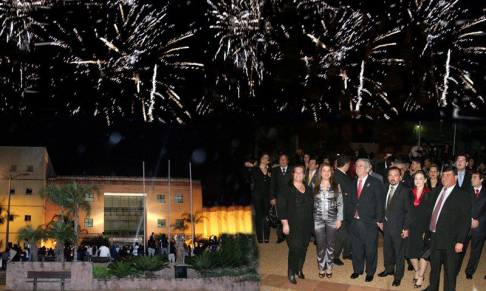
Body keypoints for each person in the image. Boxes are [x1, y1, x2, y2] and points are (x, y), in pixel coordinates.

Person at [423, 166, 471, 291]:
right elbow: (430, 212)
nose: (445, 178)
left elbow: (465, 221)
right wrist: (426, 231)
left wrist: (460, 241)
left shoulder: (462, 195)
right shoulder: (438, 189)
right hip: (434, 236)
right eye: (443, 175)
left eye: (448, 175)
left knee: (450, 270)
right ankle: (433, 287)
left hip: (451, 239)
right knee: (435, 266)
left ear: (455, 178)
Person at [347, 158, 385, 282]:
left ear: (368, 168)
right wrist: (348, 217)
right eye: (356, 165)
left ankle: (370, 271)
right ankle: (357, 270)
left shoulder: (375, 182)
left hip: (369, 222)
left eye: (361, 166)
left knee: (370, 249)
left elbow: (380, 202)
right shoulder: (352, 183)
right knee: (356, 248)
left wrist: (379, 220)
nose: (357, 168)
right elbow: (350, 202)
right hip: (354, 221)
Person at [278, 165, 314, 284]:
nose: (298, 175)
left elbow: (312, 208)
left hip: (307, 225)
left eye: (301, 173)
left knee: (303, 248)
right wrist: (285, 224)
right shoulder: (286, 189)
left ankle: (299, 269)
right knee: (295, 248)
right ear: (292, 174)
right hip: (292, 225)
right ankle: (291, 271)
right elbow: (281, 208)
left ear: (304, 175)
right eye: (296, 172)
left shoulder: (309, 189)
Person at [377, 167, 411, 287]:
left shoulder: (405, 190)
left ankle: (398, 276)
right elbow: (382, 205)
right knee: (387, 250)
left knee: (399, 253)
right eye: (390, 175)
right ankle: (389, 269)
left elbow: (408, 211)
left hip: (399, 227)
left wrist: (406, 228)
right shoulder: (385, 187)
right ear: (387, 177)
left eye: (395, 175)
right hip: (386, 225)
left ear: (400, 177)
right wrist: (380, 220)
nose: (392, 177)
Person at [314, 163, 343, 278]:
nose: (326, 173)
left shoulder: (336, 185)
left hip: (332, 218)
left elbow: (340, 203)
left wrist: (339, 218)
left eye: (328, 171)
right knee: (320, 244)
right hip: (317, 219)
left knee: (330, 244)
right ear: (320, 172)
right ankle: (321, 267)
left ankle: (329, 267)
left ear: (331, 172)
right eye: (324, 170)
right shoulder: (314, 185)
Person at [407, 170, 434, 289]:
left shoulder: (430, 194)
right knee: (411, 252)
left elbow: (431, 214)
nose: (418, 181)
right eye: (415, 178)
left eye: (420, 178)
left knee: (424, 254)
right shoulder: (410, 193)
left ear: (425, 180)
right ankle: (417, 270)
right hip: (412, 228)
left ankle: (421, 276)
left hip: (424, 228)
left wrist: (426, 231)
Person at [456, 172, 486, 279]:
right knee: (460, 249)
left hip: (480, 227)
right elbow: (461, 209)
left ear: (481, 180)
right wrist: (470, 220)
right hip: (466, 226)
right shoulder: (466, 192)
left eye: (475, 177)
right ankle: (456, 269)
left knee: (476, 250)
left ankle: (470, 271)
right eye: (472, 177)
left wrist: (479, 220)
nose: (472, 179)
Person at [245, 153, 272, 243]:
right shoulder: (255, 169)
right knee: (258, 215)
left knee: (266, 215)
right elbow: (255, 177)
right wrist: (253, 166)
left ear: (268, 161)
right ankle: (260, 237)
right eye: (263, 157)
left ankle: (267, 236)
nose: (264, 158)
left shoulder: (270, 171)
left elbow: (271, 184)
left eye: (266, 158)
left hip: (267, 195)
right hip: (257, 194)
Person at [333, 154, 353, 265]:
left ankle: (347, 253)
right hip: (340, 212)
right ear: (346, 164)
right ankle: (335, 256)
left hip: (345, 211)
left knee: (346, 233)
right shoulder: (337, 176)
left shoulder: (343, 175)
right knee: (340, 235)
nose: (350, 166)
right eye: (349, 164)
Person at [270, 154, 293, 244]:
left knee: (290, 216)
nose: (282, 161)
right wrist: (272, 197)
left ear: (287, 161)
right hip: (279, 197)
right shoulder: (275, 170)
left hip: (290, 197)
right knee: (280, 216)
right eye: (281, 159)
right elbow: (272, 185)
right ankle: (280, 236)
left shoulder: (292, 170)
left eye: (284, 159)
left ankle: (290, 234)